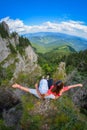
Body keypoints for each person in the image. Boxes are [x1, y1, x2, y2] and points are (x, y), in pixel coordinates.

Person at [12, 79, 83, 99]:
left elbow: (41, 96)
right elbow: (71, 86)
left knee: (33, 91)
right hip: (54, 96)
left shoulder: (50, 91)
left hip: (47, 95)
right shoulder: (62, 89)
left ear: (55, 86)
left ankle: (18, 86)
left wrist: (36, 87)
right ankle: (18, 86)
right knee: (50, 80)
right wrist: (78, 84)